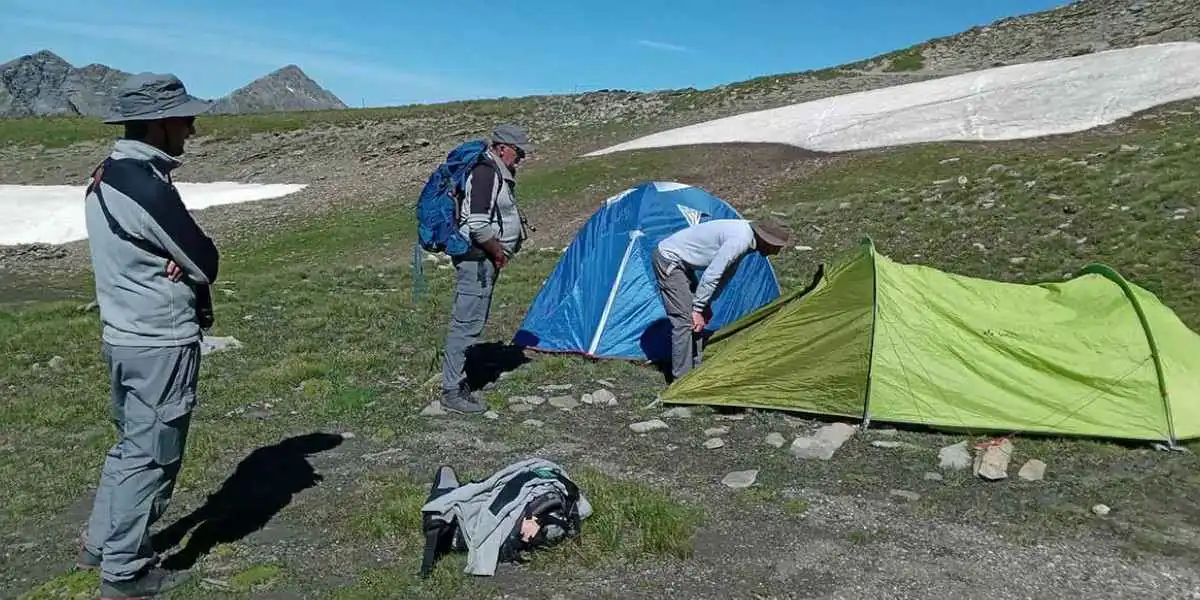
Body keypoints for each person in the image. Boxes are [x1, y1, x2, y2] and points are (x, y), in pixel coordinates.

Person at [75, 72, 218, 599]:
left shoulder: (107, 174)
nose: (192, 128)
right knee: (153, 455)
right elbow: (206, 259)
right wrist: (180, 260)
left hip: (124, 334)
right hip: (159, 340)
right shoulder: (145, 185)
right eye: (184, 117)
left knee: (130, 446)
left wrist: (169, 257)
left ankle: (99, 543)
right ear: (159, 125)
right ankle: (125, 571)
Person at [440, 124, 532, 413]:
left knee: (472, 320)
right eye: (518, 153)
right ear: (503, 148)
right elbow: (478, 224)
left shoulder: (494, 171)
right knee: (466, 323)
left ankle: (463, 378)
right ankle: (452, 390)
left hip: (483, 260)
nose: (520, 159)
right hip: (477, 260)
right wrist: (498, 253)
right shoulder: (485, 172)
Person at [653, 217, 791, 382]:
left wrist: (705, 305)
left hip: (684, 263)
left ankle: (695, 372)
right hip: (669, 259)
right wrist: (697, 308)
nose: (776, 252)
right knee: (685, 320)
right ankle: (680, 382)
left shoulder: (747, 239)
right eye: (776, 246)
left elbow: (726, 273)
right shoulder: (740, 240)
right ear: (765, 240)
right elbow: (713, 274)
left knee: (698, 320)